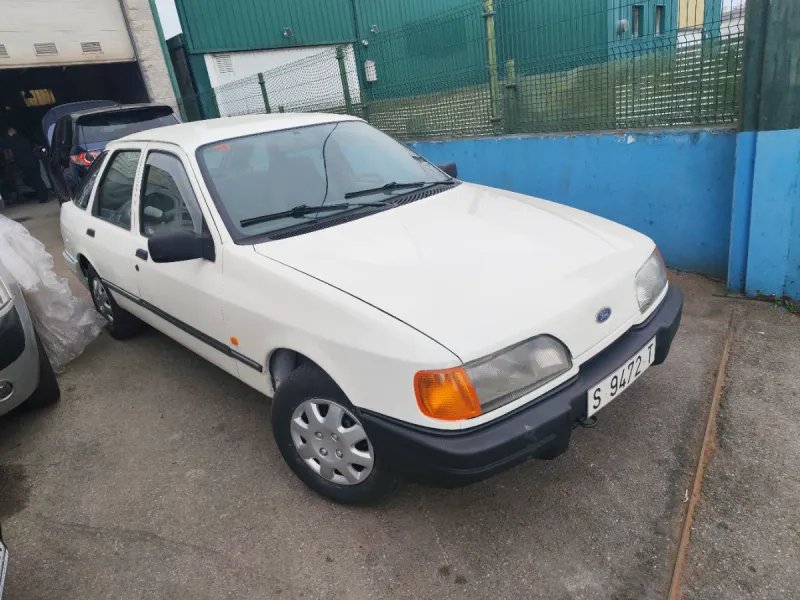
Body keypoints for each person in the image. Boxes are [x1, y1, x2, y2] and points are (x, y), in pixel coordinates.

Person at [0, 127, 48, 203]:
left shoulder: (11, 140)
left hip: (25, 164)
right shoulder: (23, 138)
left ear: (10, 133)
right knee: (37, 179)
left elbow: (3, 144)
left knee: (30, 180)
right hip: (33, 161)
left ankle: (43, 195)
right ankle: (43, 194)